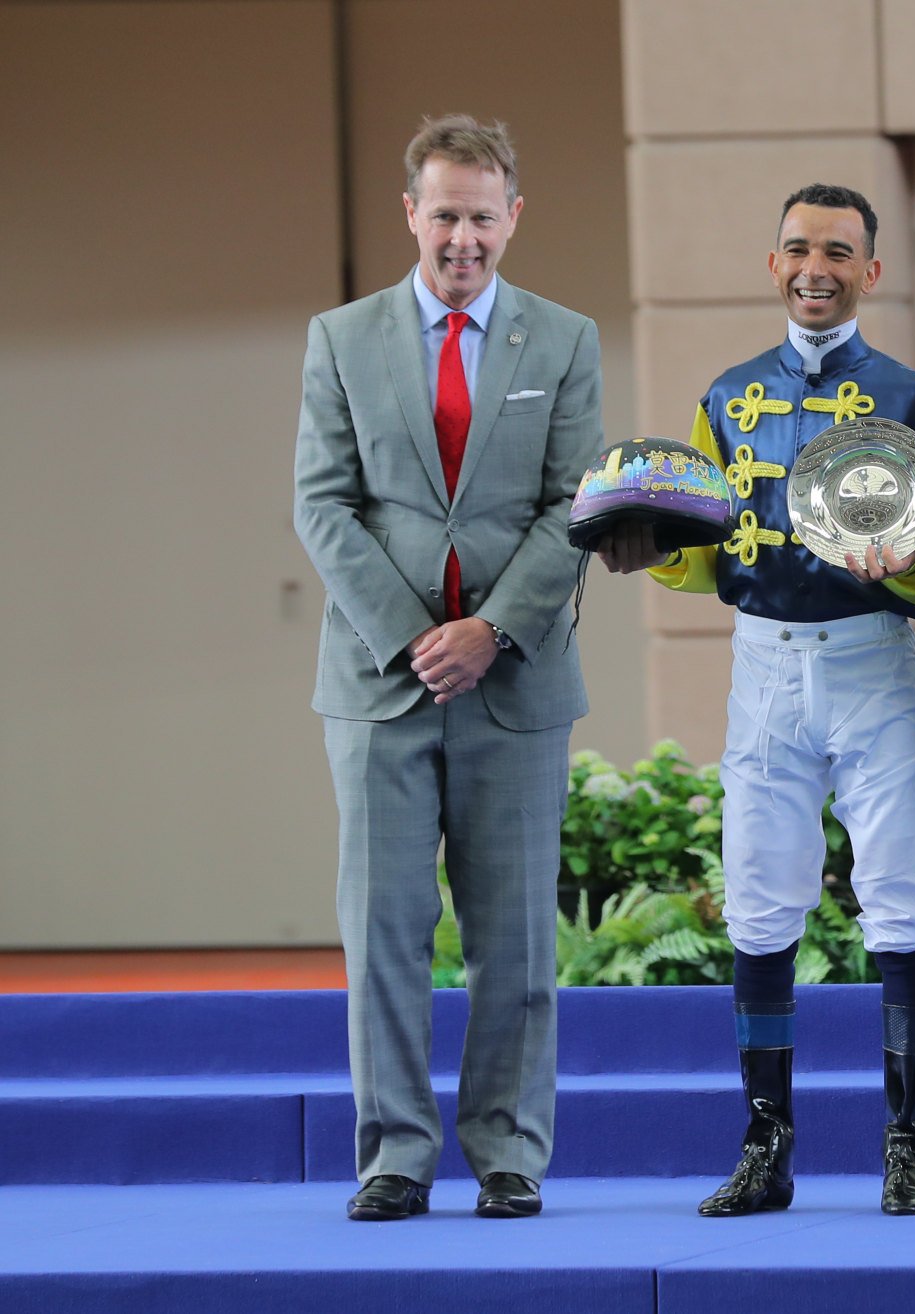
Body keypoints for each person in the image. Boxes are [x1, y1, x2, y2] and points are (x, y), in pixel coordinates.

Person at [596, 183, 915, 1216]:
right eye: (799, 248)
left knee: (898, 894)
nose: (817, 267)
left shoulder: (914, 400)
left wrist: (897, 567)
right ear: (773, 264)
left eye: (840, 251)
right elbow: (703, 548)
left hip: (870, 662)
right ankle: (766, 1148)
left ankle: (908, 1146)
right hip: (760, 664)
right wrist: (645, 549)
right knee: (761, 905)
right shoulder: (723, 399)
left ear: (871, 270)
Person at [294, 115, 601, 1222]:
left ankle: (509, 1151)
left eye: (482, 216)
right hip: (379, 686)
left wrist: (490, 632)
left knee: (513, 934)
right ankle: (393, 1156)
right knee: (383, 932)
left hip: (513, 682)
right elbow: (321, 504)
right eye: (443, 215)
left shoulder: (564, 340)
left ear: (512, 217)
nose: (461, 238)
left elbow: (579, 504)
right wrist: (412, 636)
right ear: (409, 215)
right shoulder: (342, 337)